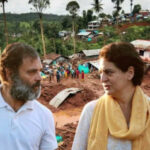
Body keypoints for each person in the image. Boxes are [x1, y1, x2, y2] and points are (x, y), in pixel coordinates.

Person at [72, 42, 150, 150]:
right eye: (101, 72)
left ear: (130, 73)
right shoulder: (91, 111)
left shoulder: (148, 111)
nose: (102, 79)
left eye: (109, 72)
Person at [0, 43, 58, 150]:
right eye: (32, 72)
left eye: (40, 71)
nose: (39, 78)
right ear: (9, 74)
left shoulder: (44, 116)